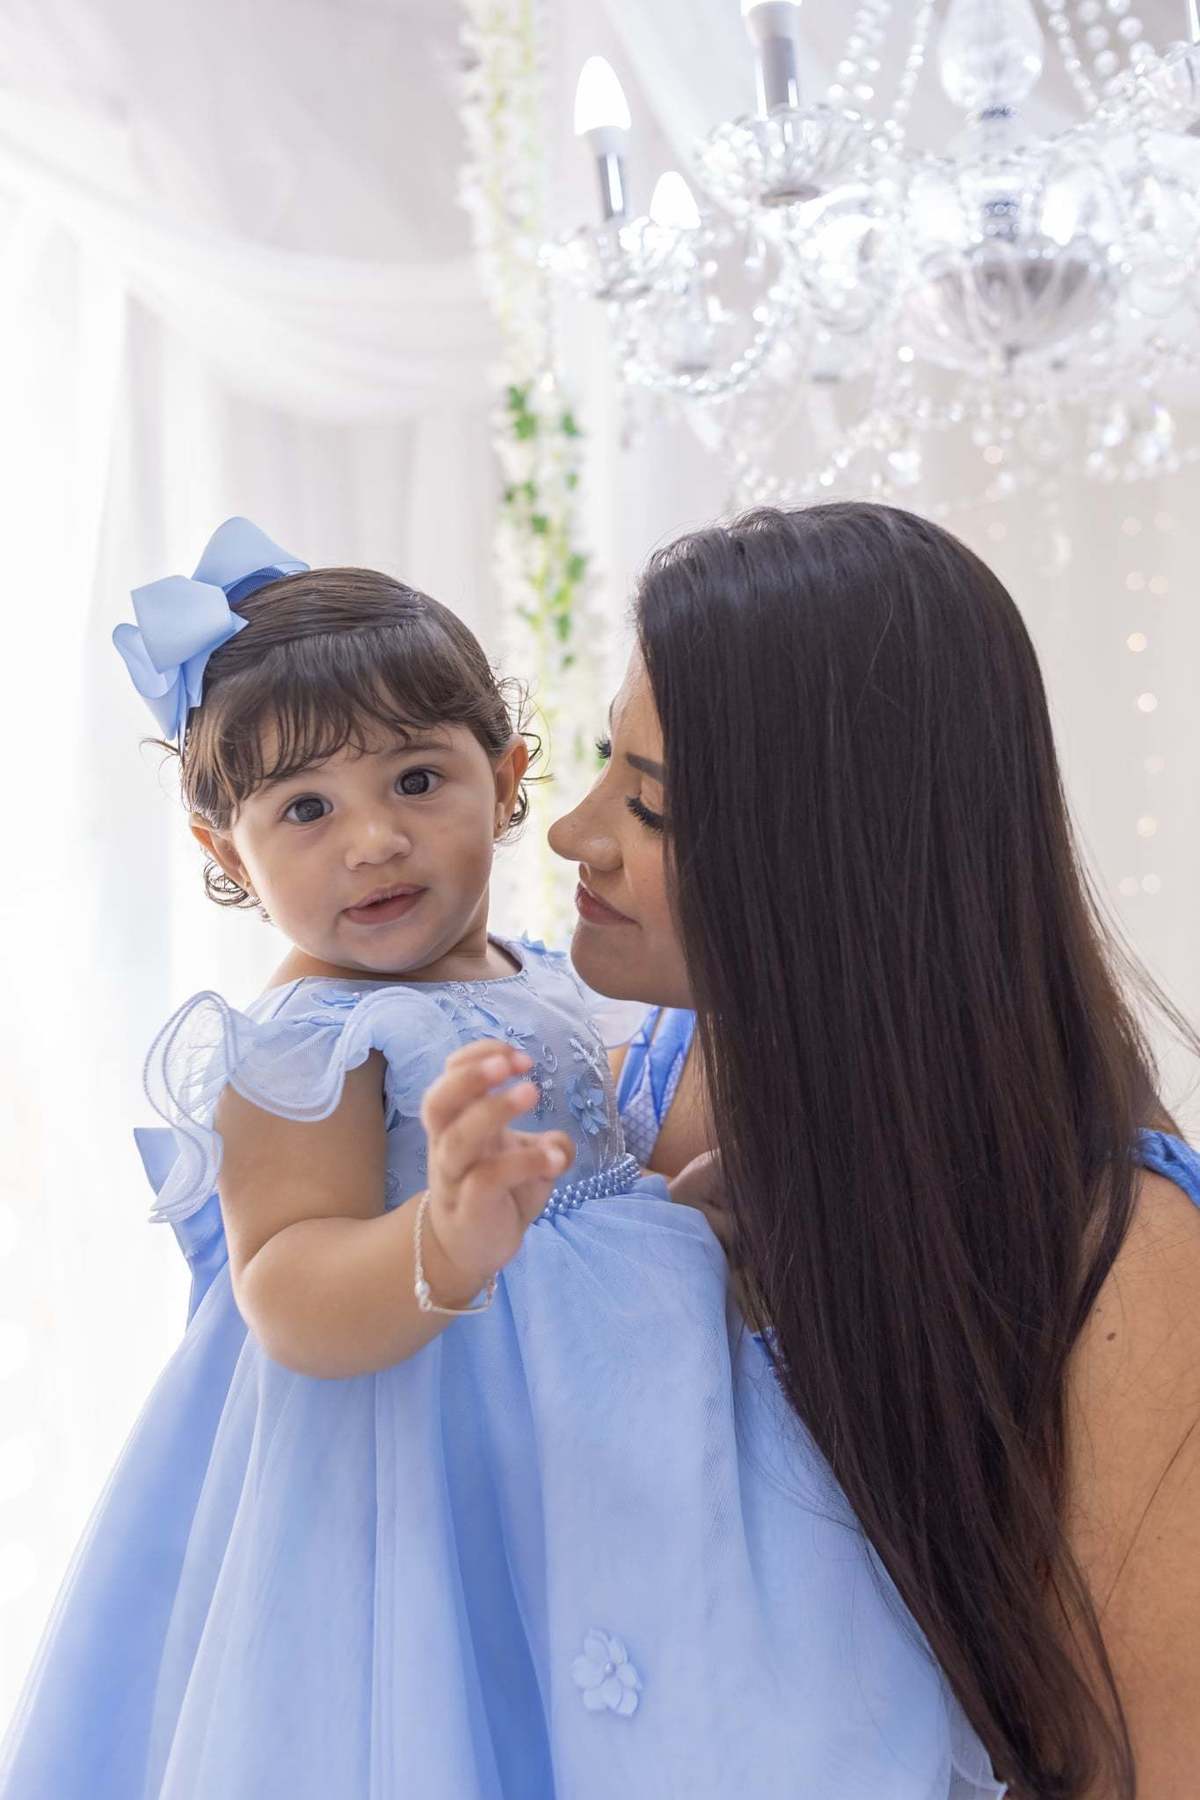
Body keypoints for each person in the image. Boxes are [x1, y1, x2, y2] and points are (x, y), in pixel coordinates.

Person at [0, 518, 1001, 1799]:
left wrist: (701, 1211)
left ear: (506, 773)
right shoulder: (305, 1044)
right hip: (435, 1468)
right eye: (304, 808)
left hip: (627, 1436)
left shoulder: (537, 978)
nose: (371, 840)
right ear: (222, 853)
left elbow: (590, 1209)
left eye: (416, 780)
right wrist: (440, 1243)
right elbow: (287, 1289)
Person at [550, 499, 1200, 1800]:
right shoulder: (599, 1105)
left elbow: (1139, 1770)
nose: (574, 834)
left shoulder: (1119, 1252)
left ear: (828, 862)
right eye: (602, 763)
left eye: (655, 807)